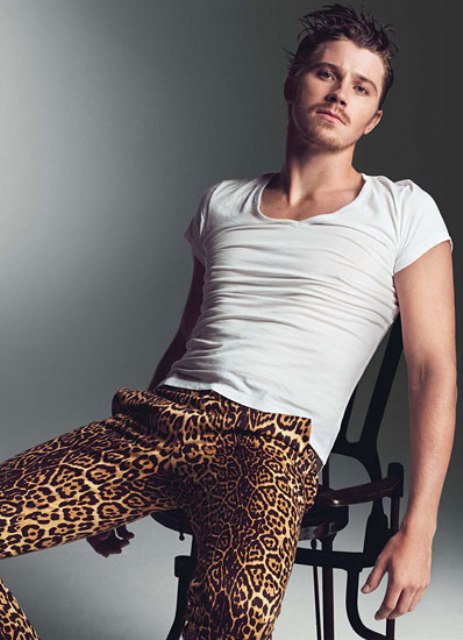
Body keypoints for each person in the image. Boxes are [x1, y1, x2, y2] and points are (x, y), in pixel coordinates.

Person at [0, 3, 457, 639]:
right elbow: (187, 337)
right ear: (293, 84)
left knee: (236, 615)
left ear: (373, 117)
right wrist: (114, 471)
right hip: (161, 421)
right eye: (326, 74)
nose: (339, 94)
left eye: (361, 87)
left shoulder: (402, 209)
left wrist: (420, 529)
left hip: (271, 443)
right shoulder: (223, 202)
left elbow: (433, 370)